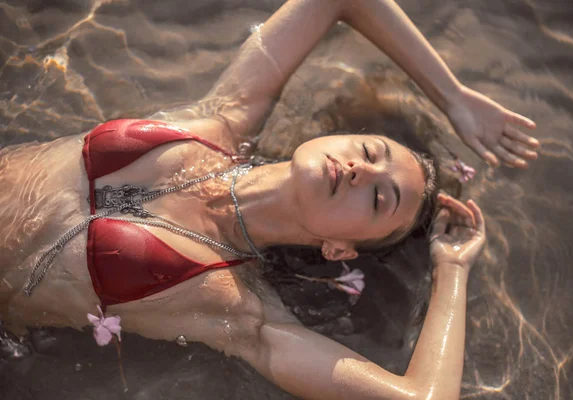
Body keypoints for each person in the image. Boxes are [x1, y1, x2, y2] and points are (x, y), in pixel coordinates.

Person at [0, 0, 540, 398]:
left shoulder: (236, 306)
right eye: (370, 151)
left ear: (337, 249)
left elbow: (424, 398)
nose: (359, 170)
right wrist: (455, 99)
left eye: (379, 199)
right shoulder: (218, 121)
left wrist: (453, 269)